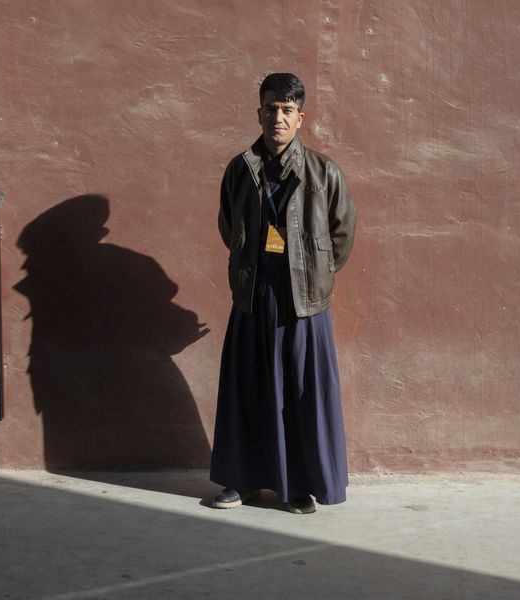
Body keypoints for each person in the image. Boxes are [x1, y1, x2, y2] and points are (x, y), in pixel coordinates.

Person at [210, 72, 356, 514]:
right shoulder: (241, 169)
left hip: (303, 301)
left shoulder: (323, 171)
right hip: (254, 294)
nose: (278, 117)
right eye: (271, 108)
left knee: (299, 393)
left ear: (301, 118)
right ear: (259, 112)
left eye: (287, 110)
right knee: (249, 388)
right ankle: (243, 482)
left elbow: (342, 234)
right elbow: (226, 224)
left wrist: (314, 275)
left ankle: (299, 487)